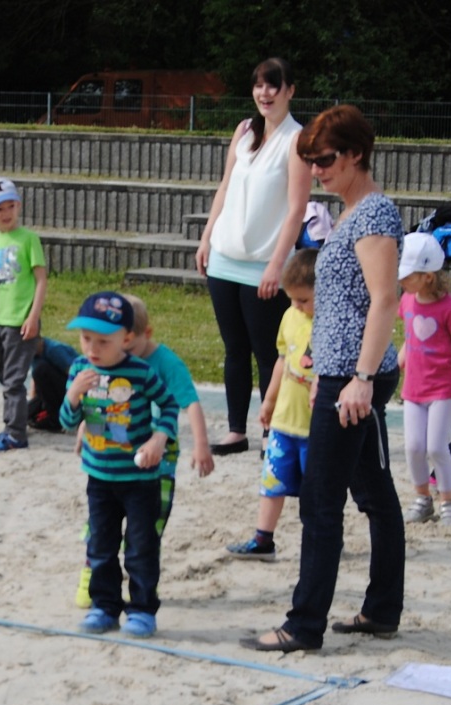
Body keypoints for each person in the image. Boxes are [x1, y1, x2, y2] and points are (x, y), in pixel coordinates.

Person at [240, 105, 405, 653]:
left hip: (351, 379)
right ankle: (381, 610)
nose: (317, 170)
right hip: (339, 373)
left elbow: (385, 300)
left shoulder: (373, 214)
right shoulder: (356, 211)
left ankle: (303, 625)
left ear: (356, 153)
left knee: (320, 501)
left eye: (326, 159)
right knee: (374, 495)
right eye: (310, 161)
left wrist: (358, 377)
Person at [194, 57, 311, 457]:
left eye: (273, 86)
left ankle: (270, 431)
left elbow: (297, 209)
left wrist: (278, 264)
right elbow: (225, 187)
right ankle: (235, 431)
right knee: (233, 349)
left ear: (290, 90)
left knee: (268, 352)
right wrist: (207, 236)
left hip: (265, 262)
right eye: (259, 86)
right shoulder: (243, 131)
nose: (265, 93)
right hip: (226, 256)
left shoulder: (298, 140)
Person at [74, 293, 214, 608]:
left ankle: (141, 589)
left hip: (156, 464)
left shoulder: (163, 364)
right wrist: (85, 428)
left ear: (140, 335)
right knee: (99, 528)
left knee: (145, 531)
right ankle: (92, 579)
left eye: (128, 348)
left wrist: (201, 445)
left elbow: (186, 402)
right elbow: (98, 403)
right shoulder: (102, 359)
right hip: (111, 458)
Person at [59, 291, 180, 639]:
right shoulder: (80, 369)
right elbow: (67, 421)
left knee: (141, 547)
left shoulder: (140, 372)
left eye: (103, 341)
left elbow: (169, 406)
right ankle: (105, 606)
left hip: (140, 479)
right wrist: (72, 395)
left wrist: (159, 438)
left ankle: (142, 610)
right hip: (99, 477)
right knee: (100, 545)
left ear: (127, 339)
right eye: (85, 339)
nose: (92, 348)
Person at [226, 248, 317, 561]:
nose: (296, 306)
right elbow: (281, 360)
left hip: (315, 427)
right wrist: (268, 401)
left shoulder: (331, 324)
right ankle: (263, 540)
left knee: (315, 491)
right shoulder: (290, 316)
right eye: (292, 299)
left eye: (304, 300)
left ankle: (320, 538)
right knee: (271, 481)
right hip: (284, 421)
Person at [396, 233, 451, 530]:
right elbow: (411, 337)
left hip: (443, 390)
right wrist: (399, 360)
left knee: (437, 448)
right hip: (414, 389)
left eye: (408, 276)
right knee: (414, 447)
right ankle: (422, 499)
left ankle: (448, 502)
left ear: (428, 277)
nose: (402, 281)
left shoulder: (449, 309)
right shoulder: (406, 301)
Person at [0, 176, 48, 451]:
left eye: (10, 206)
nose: (5, 213)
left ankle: (16, 434)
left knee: (14, 380)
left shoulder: (29, 239)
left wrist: (32, 317)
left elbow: (41, 280)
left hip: (21, 321)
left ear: (19, 206)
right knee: (5, 378)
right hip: (0, 320)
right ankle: (10, 426)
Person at [28, 336, 78, 433]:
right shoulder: (34, 355)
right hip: (51, 390)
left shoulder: (54, 350)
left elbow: (74, 375)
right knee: (26, 414)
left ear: (39, 341)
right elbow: (34, 381)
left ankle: (55, 417)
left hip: (70, 388)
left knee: (41, 370)